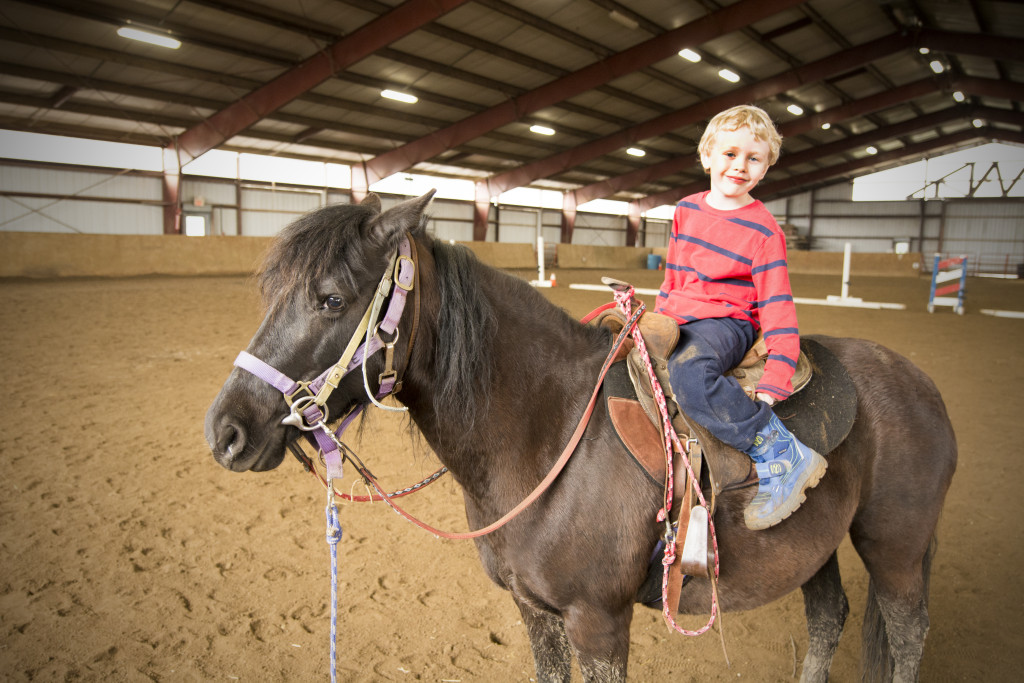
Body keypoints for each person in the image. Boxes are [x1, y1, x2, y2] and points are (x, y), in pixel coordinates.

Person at [655, 104, 827, 530]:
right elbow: (673, 275)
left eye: (754, 158)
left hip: (728, 321)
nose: (739, 166)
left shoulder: (765, 230)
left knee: (690, 373)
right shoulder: (686, 210)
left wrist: (776, 376)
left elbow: (778, 304)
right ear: (707, 156)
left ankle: (777, 450)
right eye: (730, 154)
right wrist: (656, 323)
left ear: (765, 169)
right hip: (678, 314)